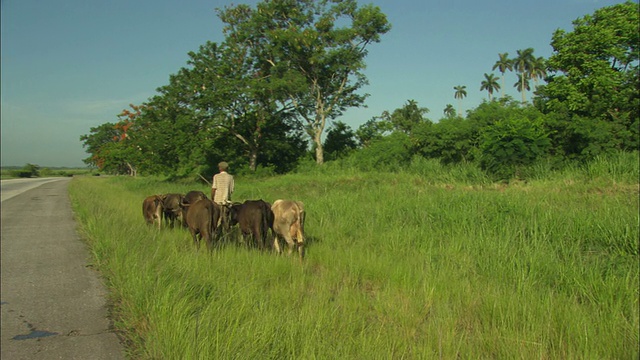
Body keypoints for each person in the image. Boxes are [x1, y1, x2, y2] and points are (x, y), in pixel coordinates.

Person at [211, 161, 234, 231]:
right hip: (226, 202)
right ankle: (227, 231)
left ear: (220, 168)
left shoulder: (216, 176)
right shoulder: (230, 177)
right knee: (227, 219)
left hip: (217, 202)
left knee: (215, 219)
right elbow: (231, 190)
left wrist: (212, 198)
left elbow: (213, 189)